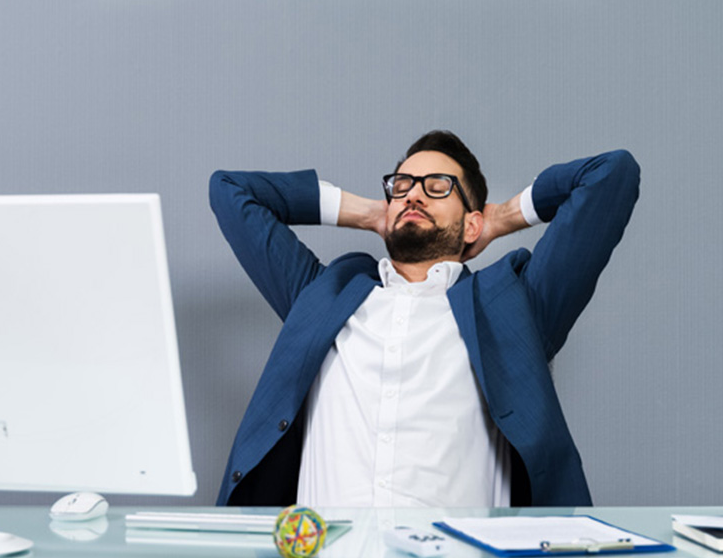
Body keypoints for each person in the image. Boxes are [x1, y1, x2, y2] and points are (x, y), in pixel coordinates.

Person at [209, 131, 639, 509]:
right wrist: (372, 213)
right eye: (402, 186)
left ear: (473, 223)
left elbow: (611, 175)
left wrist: (501, 217)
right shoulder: (322, 297)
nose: (413, 194)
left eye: (438, 187)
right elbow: (229, 190)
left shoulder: (515, 306)